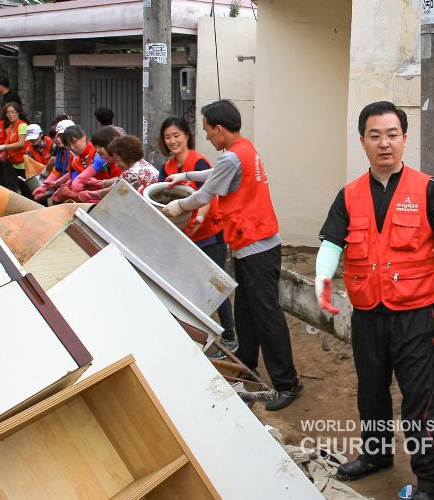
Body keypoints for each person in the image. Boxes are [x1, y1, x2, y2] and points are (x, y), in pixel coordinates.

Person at [315, 101, 434, 500]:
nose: (385, 143)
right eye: (375, 135)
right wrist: (322, 275)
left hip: (415, 315)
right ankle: (376, 454)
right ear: (362, 141)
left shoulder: (426, 188)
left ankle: (432, 483)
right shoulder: (348, 195)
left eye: (392, 134)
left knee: (420, 401)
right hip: (367, 313)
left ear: (404, 138)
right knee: (371, 392)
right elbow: (332, 241)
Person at [161, 99, 300, 411]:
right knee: (248, 311)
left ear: (220, 129)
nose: (207, 136)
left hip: (255, 244)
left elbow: (205, 195)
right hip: (256, 242)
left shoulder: (232, 158)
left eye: (208, 130)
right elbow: (216, 174)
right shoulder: (243, 149)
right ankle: (247, 366)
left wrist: (178, 205)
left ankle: (288, 383)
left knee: (266, 314)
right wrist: (185, 177)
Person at [157, 115, 237, 356]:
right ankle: (201, 333)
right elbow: (160, 196)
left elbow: (207, 194)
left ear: (187, 136)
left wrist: (199, 218)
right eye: (168, 137)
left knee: (215, 285)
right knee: (193, 286)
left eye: (176, 136)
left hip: (209, 232)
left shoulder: (199, 162)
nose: (173, 141)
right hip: (184, 236)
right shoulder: (168, 167)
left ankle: (231, 336)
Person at [76, 135, 158, 203]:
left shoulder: (130, 173)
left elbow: (112, 192)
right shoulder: (143, 163)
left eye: (117, 160)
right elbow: (120, 181)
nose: (116, 164)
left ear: (125, 155)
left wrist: (85, 195)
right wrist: (99, 183)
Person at [32, 119, 76, 200]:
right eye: (58, 135)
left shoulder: (74, 152)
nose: (58, 139)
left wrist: (57, 185)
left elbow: (74, 174)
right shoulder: (60, 149)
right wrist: (44, 186)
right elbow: (57, 170)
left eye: (62, 136)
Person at [0, 102, 28, 194]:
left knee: (26, 191)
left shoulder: (22, 125)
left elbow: (21, 143)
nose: (11, 114)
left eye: (13, 112)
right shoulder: (9, 127)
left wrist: (3, 146)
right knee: (15, 190)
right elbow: (7, 144)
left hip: (23, 163)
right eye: (8, 112)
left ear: (18, 112)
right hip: (13, 163)